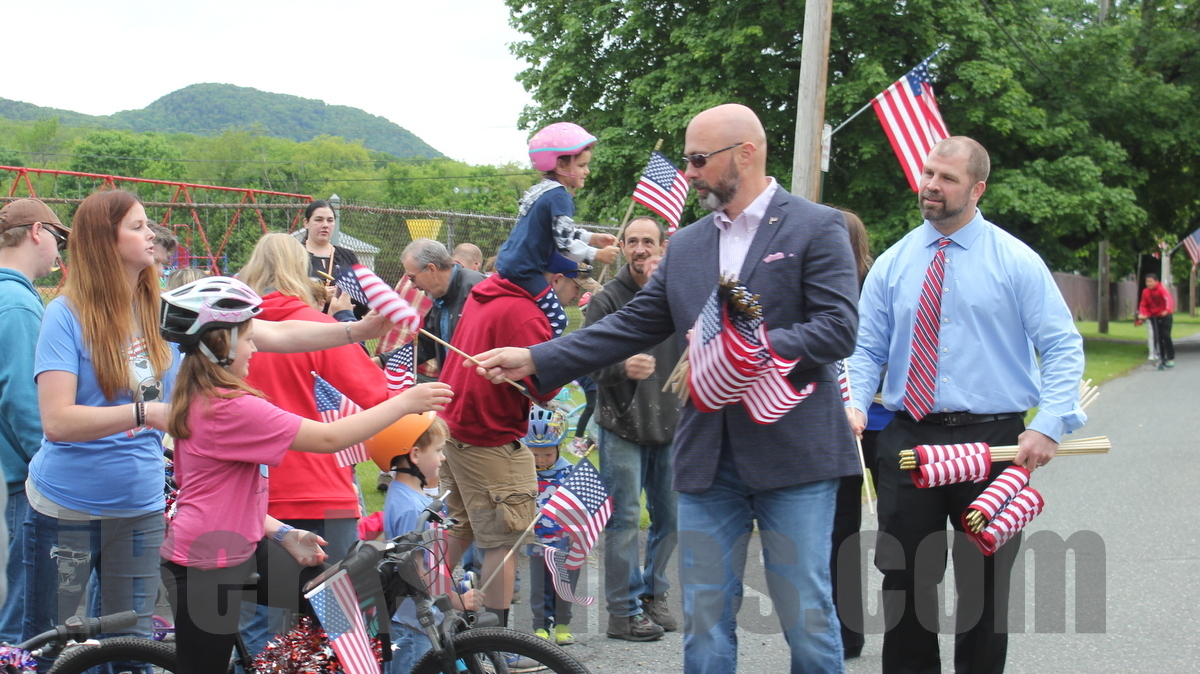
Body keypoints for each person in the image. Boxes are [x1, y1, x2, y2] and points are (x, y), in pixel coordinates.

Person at [471, 104, 861, 673]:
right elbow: (629, 325)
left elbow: (838, 328)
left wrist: (749, 348)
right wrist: (536, 356)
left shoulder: (816, 226)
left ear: (745, 154)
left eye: (699, 160)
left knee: (806, 616)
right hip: (707, 460)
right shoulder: (688, 244)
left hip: (795, 454)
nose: (690, 172)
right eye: (686, 160)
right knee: (704, 621)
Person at [23, 189, 398, 669]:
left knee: (130, 646)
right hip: (69, 506)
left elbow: (267, 332)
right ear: (104, 240)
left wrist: (353, 331)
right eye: (137, 226)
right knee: (52, 643)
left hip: (139, 504)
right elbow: (57, 421)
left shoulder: (160, 307)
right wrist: (145, 414)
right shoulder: (66, 313)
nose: (151, 234)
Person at [847, 136, 1086, 674]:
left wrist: (1048, 425)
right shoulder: (893, 263)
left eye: (947, 178)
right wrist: (854, 404)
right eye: (928, 173)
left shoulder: (1016, 261)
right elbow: (865, 350)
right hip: (908, 439)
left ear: (977, 189)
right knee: (905, 578)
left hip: (996, 443)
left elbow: (1061, 345)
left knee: (984, 583)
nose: (931, 185)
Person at [157, 276, 453, 674]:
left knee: (338, 597)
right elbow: (329, 438)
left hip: (242, 543)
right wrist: (403, 403)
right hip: (206, 563)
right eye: (248, 340)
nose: (256, 348)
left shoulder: (210, 395)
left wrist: (283, 533)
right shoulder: (229, 407)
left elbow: (225, 498)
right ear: (221, 345)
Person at [236, 233, 393, 652]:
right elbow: (374, 393)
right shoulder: (319, 328)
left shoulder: (233, 331)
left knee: (261, 626)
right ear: (300, 269)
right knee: (337, 621)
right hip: (322, 485)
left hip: (255, 491)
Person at [437, 254, 588, 639]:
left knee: (462, 527)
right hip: (488, 434)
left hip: (456, 426)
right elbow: (545, 387)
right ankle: (496, 645)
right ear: (555, 280)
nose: (575, 297)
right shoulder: (527, 314)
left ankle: (418, 603)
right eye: (575, 285)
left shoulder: (486, 293)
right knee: (503, 542)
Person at [583, 215, 680, 641]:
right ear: (622, 247)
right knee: (623, 519)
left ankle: (653, 593)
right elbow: (587, 360)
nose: (640, 249)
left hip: (673, 425)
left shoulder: (678, 293)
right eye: (633, 241)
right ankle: (622, 612)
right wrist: (622, 366)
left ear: (662, 247)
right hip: (621, 425)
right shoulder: (607, 299)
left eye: (648, 242)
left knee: (671, 518)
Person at [365, 412, 483, 673]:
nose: (443, 457)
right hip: (412, 624)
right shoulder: (410, 507)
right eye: (438, 450)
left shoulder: (407, 495)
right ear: (415, 455)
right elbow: (415, 571)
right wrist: (456, 600)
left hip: (419, 617)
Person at [0, 199, 69, 644]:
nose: (60, 251)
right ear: (37, 232)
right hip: (22, 480)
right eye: (59, 239)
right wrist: (50, 468)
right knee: (24, 623)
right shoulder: (18, 304)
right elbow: (24, 401)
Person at [827, 208, 891, 660]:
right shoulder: (818, 290)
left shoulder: (878, 287)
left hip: (885, 421)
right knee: (841, 530)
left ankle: (903, 627)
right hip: (837, 425)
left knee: (896, 526)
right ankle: (845, 633)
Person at [494, 122, 619, 336]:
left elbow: (561, 232)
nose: (587, 171)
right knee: (558, 319)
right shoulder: (560, 196)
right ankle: (541, 352)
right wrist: (597, 254)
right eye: (582, 165)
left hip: (511, 264)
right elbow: (564, 245)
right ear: (561, 165)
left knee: (542, 311)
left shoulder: (544, 191)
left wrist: (593, 238)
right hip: (525, 270)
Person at [522, 406, 579, 646]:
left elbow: (579, 504)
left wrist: (576, 529)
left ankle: (563, 623)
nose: (541, 460)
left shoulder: (570, 472)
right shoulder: (524, 473)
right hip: (536, 540)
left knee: (564, 583)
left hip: (564, 539)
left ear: (559, 447)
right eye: (534, 454)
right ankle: (540, 625)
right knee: (539, 586)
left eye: (547, 454)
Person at [392, 238, 486, 377]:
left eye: (412, 278)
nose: (413, 286)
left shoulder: (476, 289)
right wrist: (384, 361)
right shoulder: (441, 294)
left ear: (431, 269)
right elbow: (428, 343)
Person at [1138, 273, 1175, 369]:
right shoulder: (1145, 292)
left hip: (1165, 315)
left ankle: (1170, 358)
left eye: (1151, 281)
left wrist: (1167, 310)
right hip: (1154, 316)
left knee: (1165, 336)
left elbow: (1168, 300)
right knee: (1157, 338)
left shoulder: (1161, 290)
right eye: (1147, 282)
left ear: (1156, 282)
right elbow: (1143, 304)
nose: (1148, 283)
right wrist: (1143, 314)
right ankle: (1160, 358)